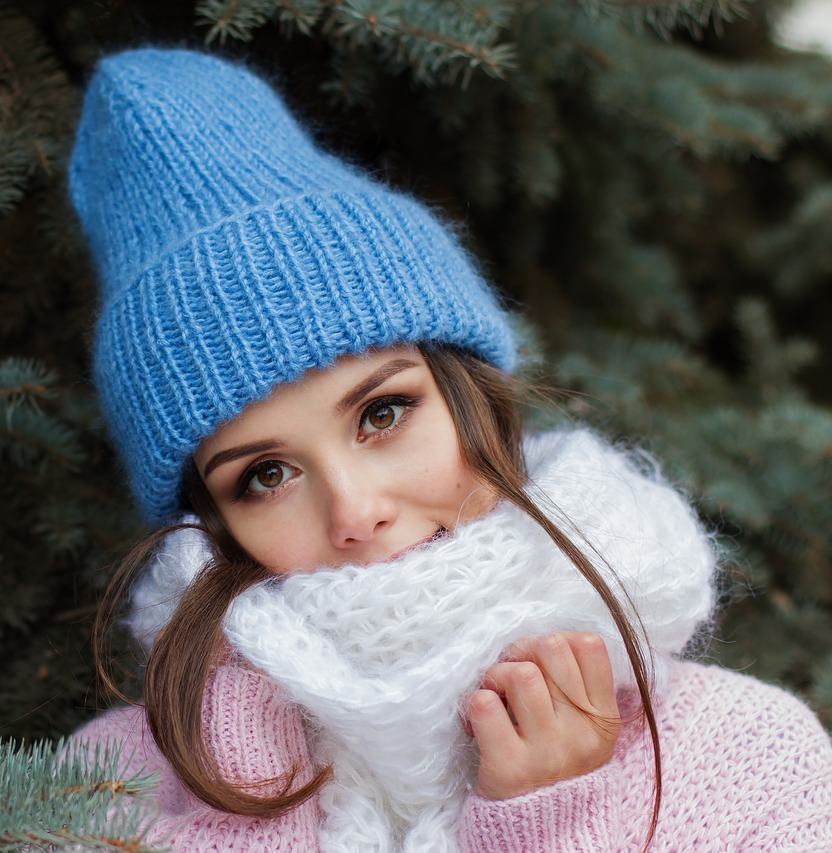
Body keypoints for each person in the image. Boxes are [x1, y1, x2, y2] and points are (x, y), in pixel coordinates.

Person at [67, 47, 832, 852]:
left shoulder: (747, 756)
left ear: (472, 396)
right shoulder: (107, 784)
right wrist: (243, 805)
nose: (356, 510)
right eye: (265, 474)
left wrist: (557, 823)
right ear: (208, 519)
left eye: (383, 412)